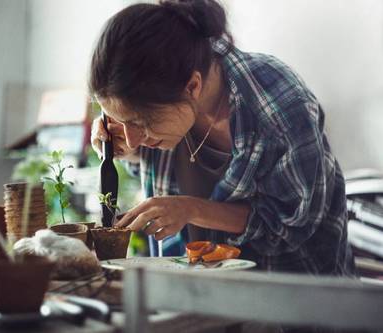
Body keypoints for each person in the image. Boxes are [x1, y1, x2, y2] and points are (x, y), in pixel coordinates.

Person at [89, 0, 355, 276]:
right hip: (195, 295)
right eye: (121, 120)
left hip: (294, 299)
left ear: (192, 86)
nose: (132, 138)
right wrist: (122, 145)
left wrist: (191, 209)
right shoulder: (162, 91)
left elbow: (291, 225)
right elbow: (146, 158)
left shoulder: (279, 108)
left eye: (140, 123)